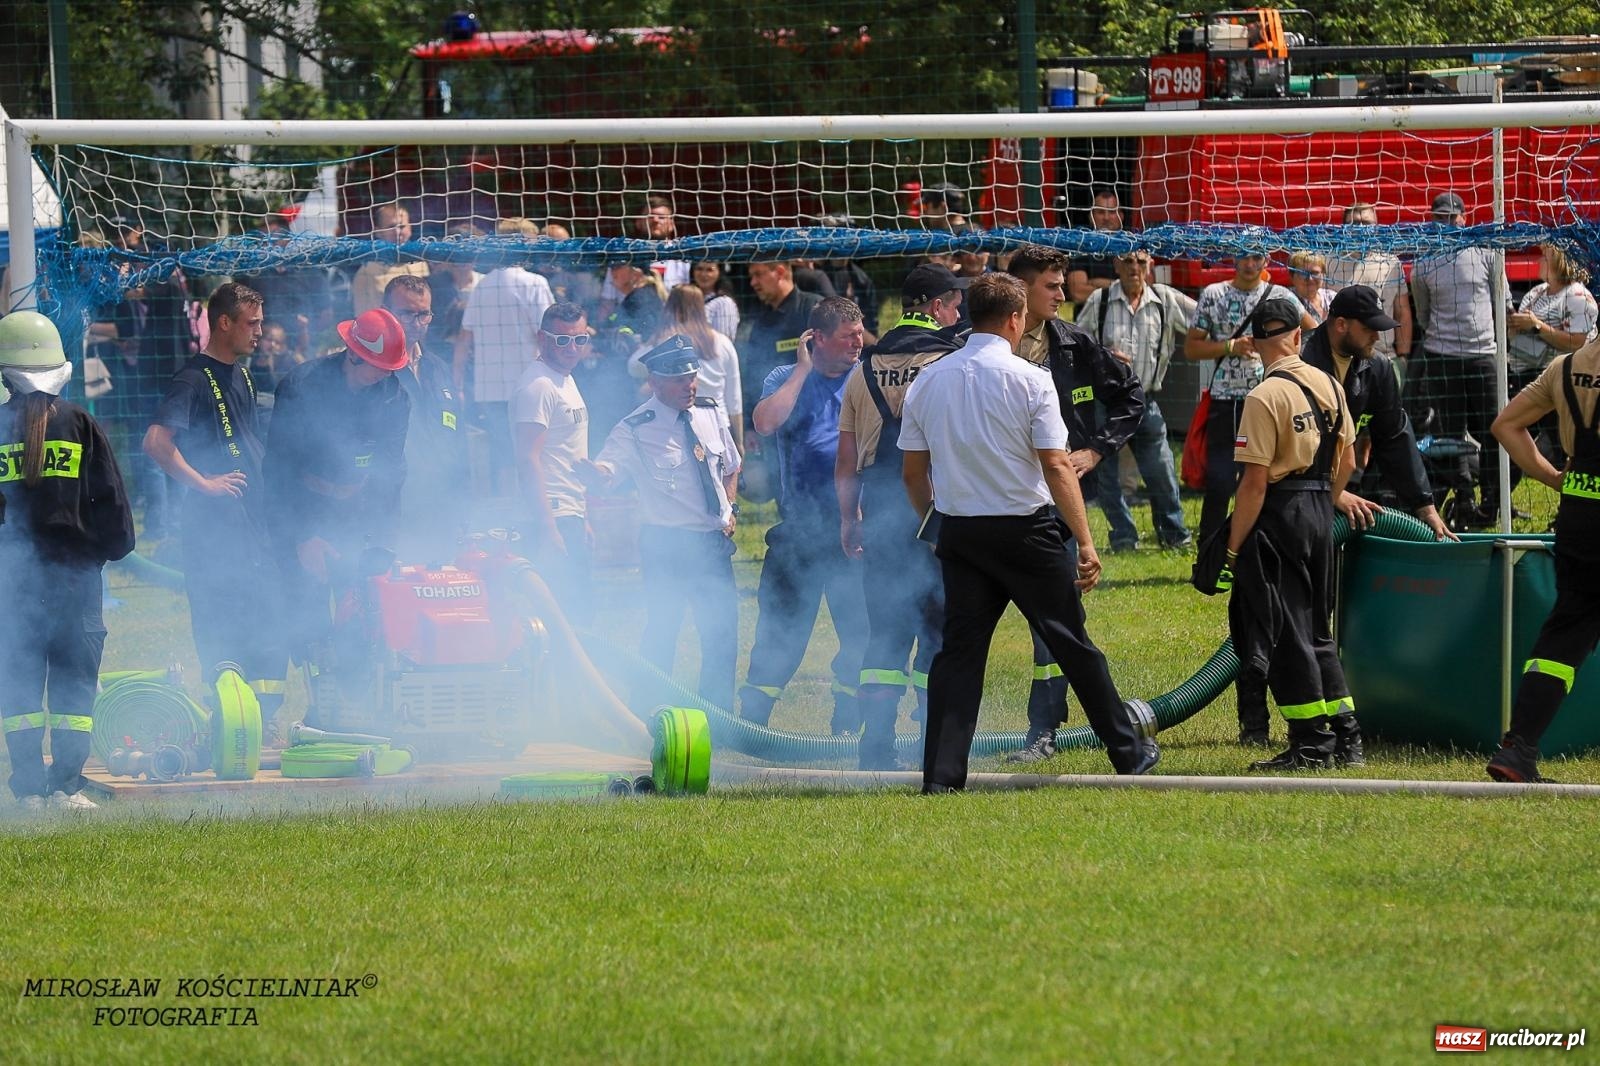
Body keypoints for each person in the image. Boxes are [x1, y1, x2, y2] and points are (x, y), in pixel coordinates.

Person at [899, 275, 1159, 791]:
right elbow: (1057, 466)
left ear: (971, 315)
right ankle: (1128, 753)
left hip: (961, 533)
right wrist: (1086, 541)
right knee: (1072, 643)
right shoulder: (1032, 379)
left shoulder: (927, 380)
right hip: (1026, 532)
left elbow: (912, 473)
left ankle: (942, 777)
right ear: (1016, 319)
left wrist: (935, 521)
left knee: (958, 656)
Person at [1006, 245, 1147, 760]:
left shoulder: (1073, 342)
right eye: (1051, 285)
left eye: (1062, 284)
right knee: (959, 623)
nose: (1062, 294)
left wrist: (1095, 449)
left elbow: (1130, 397)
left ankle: (1043, 730)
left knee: (1056, 624)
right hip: (990, 503)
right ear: (1019, 291)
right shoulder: (977, 344)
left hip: (1054, 507)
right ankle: (931, 731)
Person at [1218, 295, 1363, 771]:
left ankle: (1310, 743)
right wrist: (1324, 501)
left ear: (1254, 343)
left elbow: (1254, 483)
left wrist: (1232, 549)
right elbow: (1348, 460)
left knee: (1287, 633)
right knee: (1319, 629)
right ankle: (1347, 737)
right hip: (1320, 510)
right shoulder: (1329, 384)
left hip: (1280, 514)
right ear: (1298, 337)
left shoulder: (1263, 397)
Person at [0, 310, 135, 811]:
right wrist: (104, 551)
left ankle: (28, 791)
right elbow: (113, 506)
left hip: (11, 583)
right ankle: (66, 786)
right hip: (75, 582)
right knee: (74, 686)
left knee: (18, 683)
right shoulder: (80, 423)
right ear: (59, 367)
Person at [144, 282, 290, 732]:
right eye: (252, 323)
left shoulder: (242, 374)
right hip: (214, 530)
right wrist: (205, 484)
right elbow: (156, 443)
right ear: (224, 322)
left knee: (268, 616)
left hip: (252, 523)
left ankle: (263, 720)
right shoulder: (192, 379)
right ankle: (228, 720)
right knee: (221, 620)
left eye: (261, 322)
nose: (260, 331)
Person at [836, 265, 967, 769]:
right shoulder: (953, 361)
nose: (958, 315)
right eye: (954, 305)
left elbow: (846, 460)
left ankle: (875, 745)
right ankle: (932, 742)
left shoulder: (863, 367)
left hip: (881, 510)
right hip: (939, 507)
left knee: (886, 632)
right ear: (936, 306)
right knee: (939, 631)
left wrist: (849, 519)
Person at [582, 336, 741, 714]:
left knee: (721, 634)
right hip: (667, 545)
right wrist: (596, 474)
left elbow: (732, 465)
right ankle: (648, 714)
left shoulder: (710, 411)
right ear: (654, 382)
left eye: (693, 376)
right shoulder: (634, 428)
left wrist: (730, 507)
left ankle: (717, 719)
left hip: (712, 543)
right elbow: (608, 469)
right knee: (662, 632)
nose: (690, 386)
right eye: (679, 380)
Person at [740, 297, 870, 734]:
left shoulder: (866, 376)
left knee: (860, 629)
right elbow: (765, 423)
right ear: (818, 339)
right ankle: (752, 722)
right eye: (848, 336)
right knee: (782, 627)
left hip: (855, 527)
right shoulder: (785, 377)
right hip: (800, 529)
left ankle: (847, 720)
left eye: (860, 333)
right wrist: (801, 369)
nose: (858, 343)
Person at [264, 308, 411, 672]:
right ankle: (317, 690)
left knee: (361, 624)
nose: (387, 374)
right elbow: (278, 471)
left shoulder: (394, 397)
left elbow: (391, 472)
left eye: (392, 367)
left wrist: (381, 539)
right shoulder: (301, 388)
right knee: (309, 626)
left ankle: (359, 695)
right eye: (380, 366)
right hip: (304, 510)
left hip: (357, 514)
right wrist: (303, 538)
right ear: (354, 355)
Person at [1486, 331, 1600, 782]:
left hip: (1578, 514)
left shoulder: (1565, 367)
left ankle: (1518, 748)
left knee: (1565, 634)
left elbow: (1505, 425)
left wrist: (1555, 478)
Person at [1186, 253, 1317, 545]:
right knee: (1220, 481)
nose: (1249, 264)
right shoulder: (1214, 294)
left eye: (1256, 257)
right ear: (1234, 258)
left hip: (1271, 399)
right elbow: (1191, 348)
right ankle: (1209, 549)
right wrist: (1230, 346)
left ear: (1267, 261)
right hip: (1226, 399)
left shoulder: (1280, 295)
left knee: (1264, 477)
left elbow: (1313, 331)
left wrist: (1290, 360)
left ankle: (1259, 542)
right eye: (1244, 257)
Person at [1076, 249, 1195, 550]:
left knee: (1161, 470)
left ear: (1150, 265)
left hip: (1145, 400)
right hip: (1106, 401)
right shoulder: (1100, 300)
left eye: (1141, 262)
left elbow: (1206, 320)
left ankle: (1174, 536)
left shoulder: (1165, 299)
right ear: (1116, 264)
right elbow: (1077, 347)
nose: (1134, 267)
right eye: (1127, 261)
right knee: (1106, 475)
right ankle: (1124, 538)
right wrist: (1104, 356)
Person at [1410, 191, 1513, 527]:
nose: (1446, 224)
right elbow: (1423, 313)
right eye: (1439, 218)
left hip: (1483, 354)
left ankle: (1493, 500)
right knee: (1451, 434)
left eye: (1451, 218)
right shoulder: (1424, 262)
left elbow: (1502, 304)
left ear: (1464, 218)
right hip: (1443, 355)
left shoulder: (1487, 253)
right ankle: (1464, 497)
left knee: (1495, 429)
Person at [454, 218, 554, 495]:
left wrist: (457, 384)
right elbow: (549, 335)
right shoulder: (536, 283)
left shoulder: (482, 286)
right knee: (534, 455)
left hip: (490, 389)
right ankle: (530, 510)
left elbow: (463, 339)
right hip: (529, 386)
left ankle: (504, 511)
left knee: (501, 454)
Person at [513, 302, 594, 626]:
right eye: (562, 340)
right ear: (541, 338)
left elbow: (568, 454)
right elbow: (527, 458)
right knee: (564, 621)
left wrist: (583, 515)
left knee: (580, 615)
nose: (572, 348)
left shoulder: (564, 378)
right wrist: (548, 529)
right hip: (551, 516)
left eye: (579, 339)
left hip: (569, 513)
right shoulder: (538, 386)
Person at [384, 274, 466, 563]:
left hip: (441, 506)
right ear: (386, 313)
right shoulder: (374, 371)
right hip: (394, 510)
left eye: (424, 314)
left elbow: (458, 439)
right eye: (407, 313)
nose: (416, 322)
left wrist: (462, 503)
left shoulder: (438, 368)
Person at [638, 285, 743, 449]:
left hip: (676, 427)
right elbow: (734, 399)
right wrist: (739, 442)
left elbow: (633, 366)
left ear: (671, 307)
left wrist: (649, 342)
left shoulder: (666, 343)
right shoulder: (724, 343)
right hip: (719, 427)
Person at [1324, 202, 1414, 362]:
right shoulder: (1329, 262)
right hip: (1342, 357)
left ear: (1376, 227)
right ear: (1344, 228)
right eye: (1354, 223)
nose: (1360, 228)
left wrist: (1403, 355)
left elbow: (1402, 312)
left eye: (1366, 223)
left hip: (1384, 355)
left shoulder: (1391, 263)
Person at [742, 261, 822, 425]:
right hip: (776, 424)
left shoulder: (813, 308)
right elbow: (752, 377)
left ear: (779, 272)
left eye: (758, 274)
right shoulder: (762, 322)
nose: (753, 282)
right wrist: (750, 427)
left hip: (818, 419)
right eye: (751, 276)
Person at [351, 204, 429, 316]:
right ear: (378, 232)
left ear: (410, 228)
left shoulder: (421, 264)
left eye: (402, 226)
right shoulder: (367, 273)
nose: (397, 232)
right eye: (391, 227)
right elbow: (363, 318)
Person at [1065, 187, 1124, 309]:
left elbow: (1145, 288)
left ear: (1121, 216)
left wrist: (1096, 283)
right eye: (1101, 212)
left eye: (1112, 212)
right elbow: (1078, 293)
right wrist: (1122, 287)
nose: (1106, 218)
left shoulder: (1132, 247)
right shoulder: (1080, 247)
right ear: (1091, 216)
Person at [691, 261, 741, 342]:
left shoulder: (724, 303)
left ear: (719, 272)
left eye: (710, 270)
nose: (703, 274)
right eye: (699, 269)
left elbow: (724, 340)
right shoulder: (689, 300)